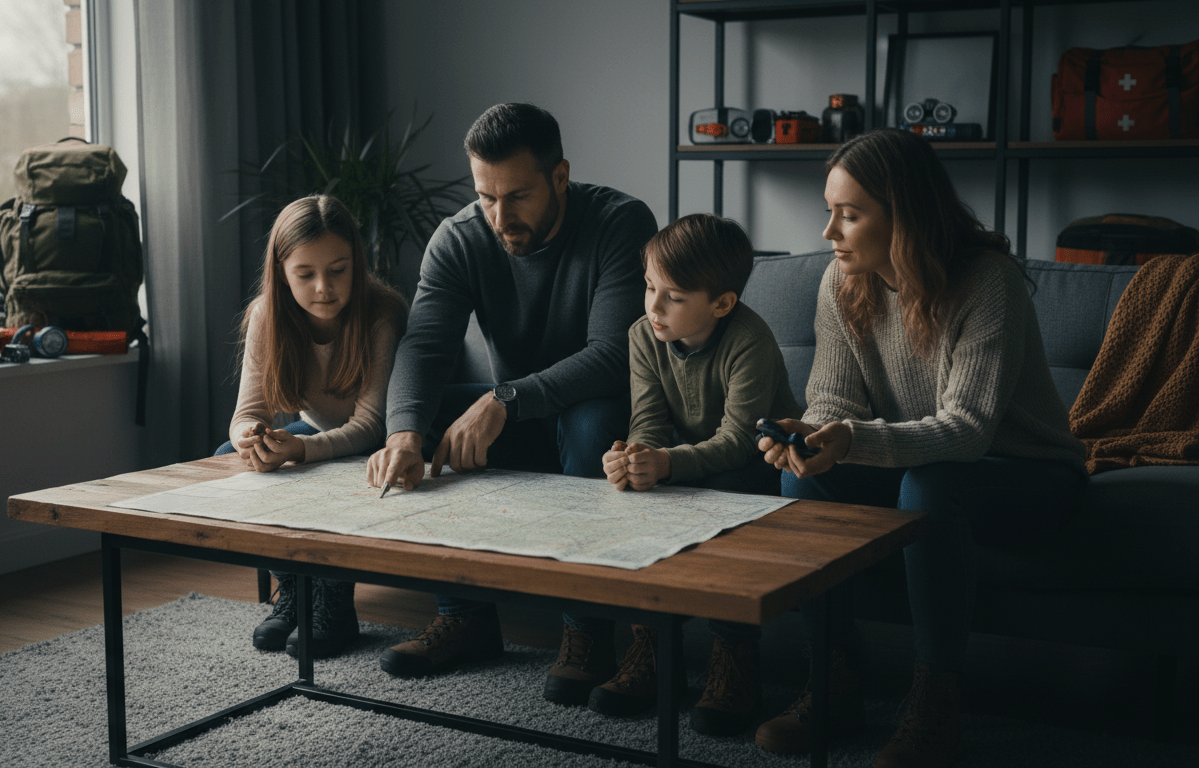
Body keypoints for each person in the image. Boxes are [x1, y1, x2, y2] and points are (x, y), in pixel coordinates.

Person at [753, 129, 1087, 768]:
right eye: (830, 211)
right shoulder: (840, 283)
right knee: (801, 483)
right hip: (923, 461)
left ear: (903, 215)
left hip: (1029, 472)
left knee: (930, 487)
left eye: (849, 215)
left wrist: (852, 440)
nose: (829, 232)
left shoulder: (988, 282)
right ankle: (834, 684)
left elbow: (967, 429)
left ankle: (936, 702)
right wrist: (814, 439)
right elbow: (835, 405)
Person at [364, 103, 658, 703]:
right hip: (521, 416)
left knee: (594, 420)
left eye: (518, 196)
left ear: (560, 176)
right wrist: (403, 436)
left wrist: (505, 398)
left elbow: (611, 355)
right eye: (486, 197)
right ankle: (466, 615)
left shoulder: (620, 222)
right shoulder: (461, 237)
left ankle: (587, 629)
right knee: (427, 415)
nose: (500, 216)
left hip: (596, 415)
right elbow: (423, 346)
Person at [593, 213, 801, 735]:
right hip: (685, 463)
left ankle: (735, 657)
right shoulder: (645, 335)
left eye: (674, 296)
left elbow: (739, 440)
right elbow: (649, 420)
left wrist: (666, 463)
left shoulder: (748, 338)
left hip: (753, 469)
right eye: (648, 287)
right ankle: (653, 644)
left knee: (725, 500)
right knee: (637, 496)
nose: (653, 306)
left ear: (722, 303)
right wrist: (636, 456)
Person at [214, 194, 406, 660]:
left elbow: (370, 425)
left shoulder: (383, 311)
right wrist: (251, 440)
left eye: (338, 270)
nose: (324, 287)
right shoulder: (267, 315)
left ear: (356, 265)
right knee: (227, 456)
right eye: (305, 275)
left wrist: (299, 451)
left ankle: (334, 601)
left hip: (385, 443)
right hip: (320, 434)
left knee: (328, 468)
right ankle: (295, 590)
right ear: (281, 273)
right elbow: (248, 413)